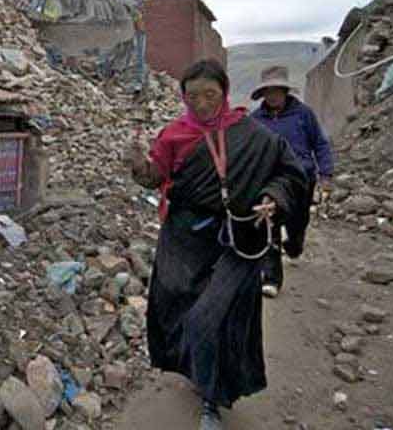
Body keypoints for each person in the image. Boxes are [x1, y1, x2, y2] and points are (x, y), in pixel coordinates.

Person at [125, 59, 309, 430]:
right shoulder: (173, 135)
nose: (202, 103)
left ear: (224, 94)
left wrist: (274, 197)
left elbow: (289, 173)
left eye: (210, 95)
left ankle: (212, 399)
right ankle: (200, 373)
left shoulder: (253, 135)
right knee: (182, 313)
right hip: (186, 240)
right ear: (184, 98)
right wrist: (137, 166)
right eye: (193, 96)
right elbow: (154, 177)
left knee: (211, 318)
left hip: (238, 240)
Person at [250, 66, 334, 298]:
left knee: (298, 221)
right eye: (268, 91)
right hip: (271, 181)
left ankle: (295, 243)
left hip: (301, 179)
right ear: (263, 93)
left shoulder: (303, 114)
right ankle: (271, 278)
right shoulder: (255, 120)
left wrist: (325, 174)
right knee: (270, 226)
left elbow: (320, 144)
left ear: (285, 91)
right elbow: (249, 151)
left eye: (277, 90)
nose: (273, 95)